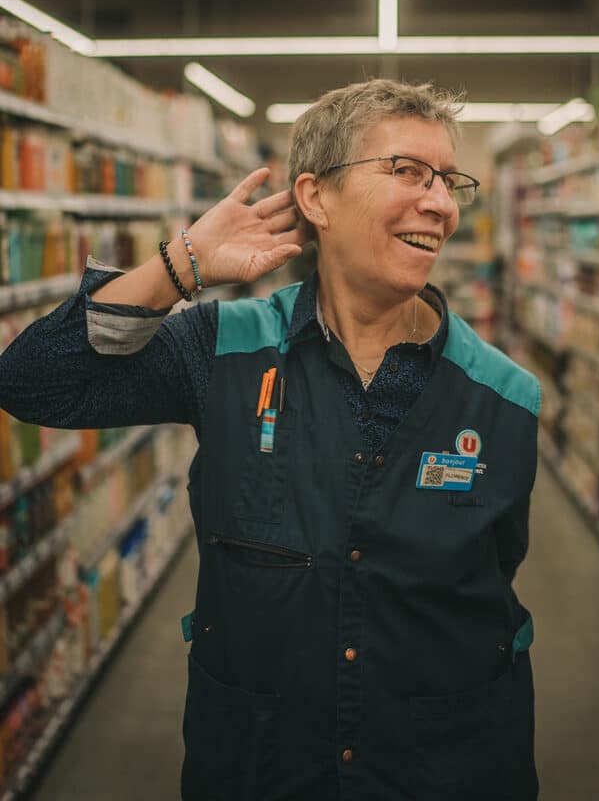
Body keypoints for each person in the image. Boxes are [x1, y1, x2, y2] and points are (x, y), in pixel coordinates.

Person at [0, 79, 541, 801]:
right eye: (407, 172)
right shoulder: (223, 348)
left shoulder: (503, 397)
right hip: (261, 768)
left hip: (439, 768)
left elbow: (492, 580)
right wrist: (179, 264)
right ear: (316, 198)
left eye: (449, 180)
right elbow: (34, 382)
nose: (440, 202)